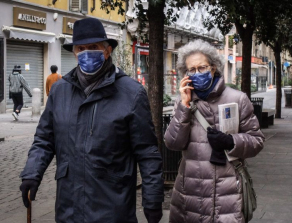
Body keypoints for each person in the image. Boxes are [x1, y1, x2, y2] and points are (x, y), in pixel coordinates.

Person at [19, 18, 164, 223]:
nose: (86, 53)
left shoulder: (131, 93)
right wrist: (31, 174)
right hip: (69, 209)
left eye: (93, 47)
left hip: (113, 209)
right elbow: (44, 138)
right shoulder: (60, 91)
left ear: (107, 51)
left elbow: (147, 152)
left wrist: (152, 199)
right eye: (81, 48)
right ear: (75, 53)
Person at [164, 39, 265, 223]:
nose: (197, 73)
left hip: (226, 194)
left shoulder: (237, 99)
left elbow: (257, 141)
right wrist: (184, 107)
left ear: (213, 68)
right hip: (190, 194)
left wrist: (231, 142)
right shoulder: (183, 102)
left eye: (201, 68)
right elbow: (172, 143)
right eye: (191, 70)